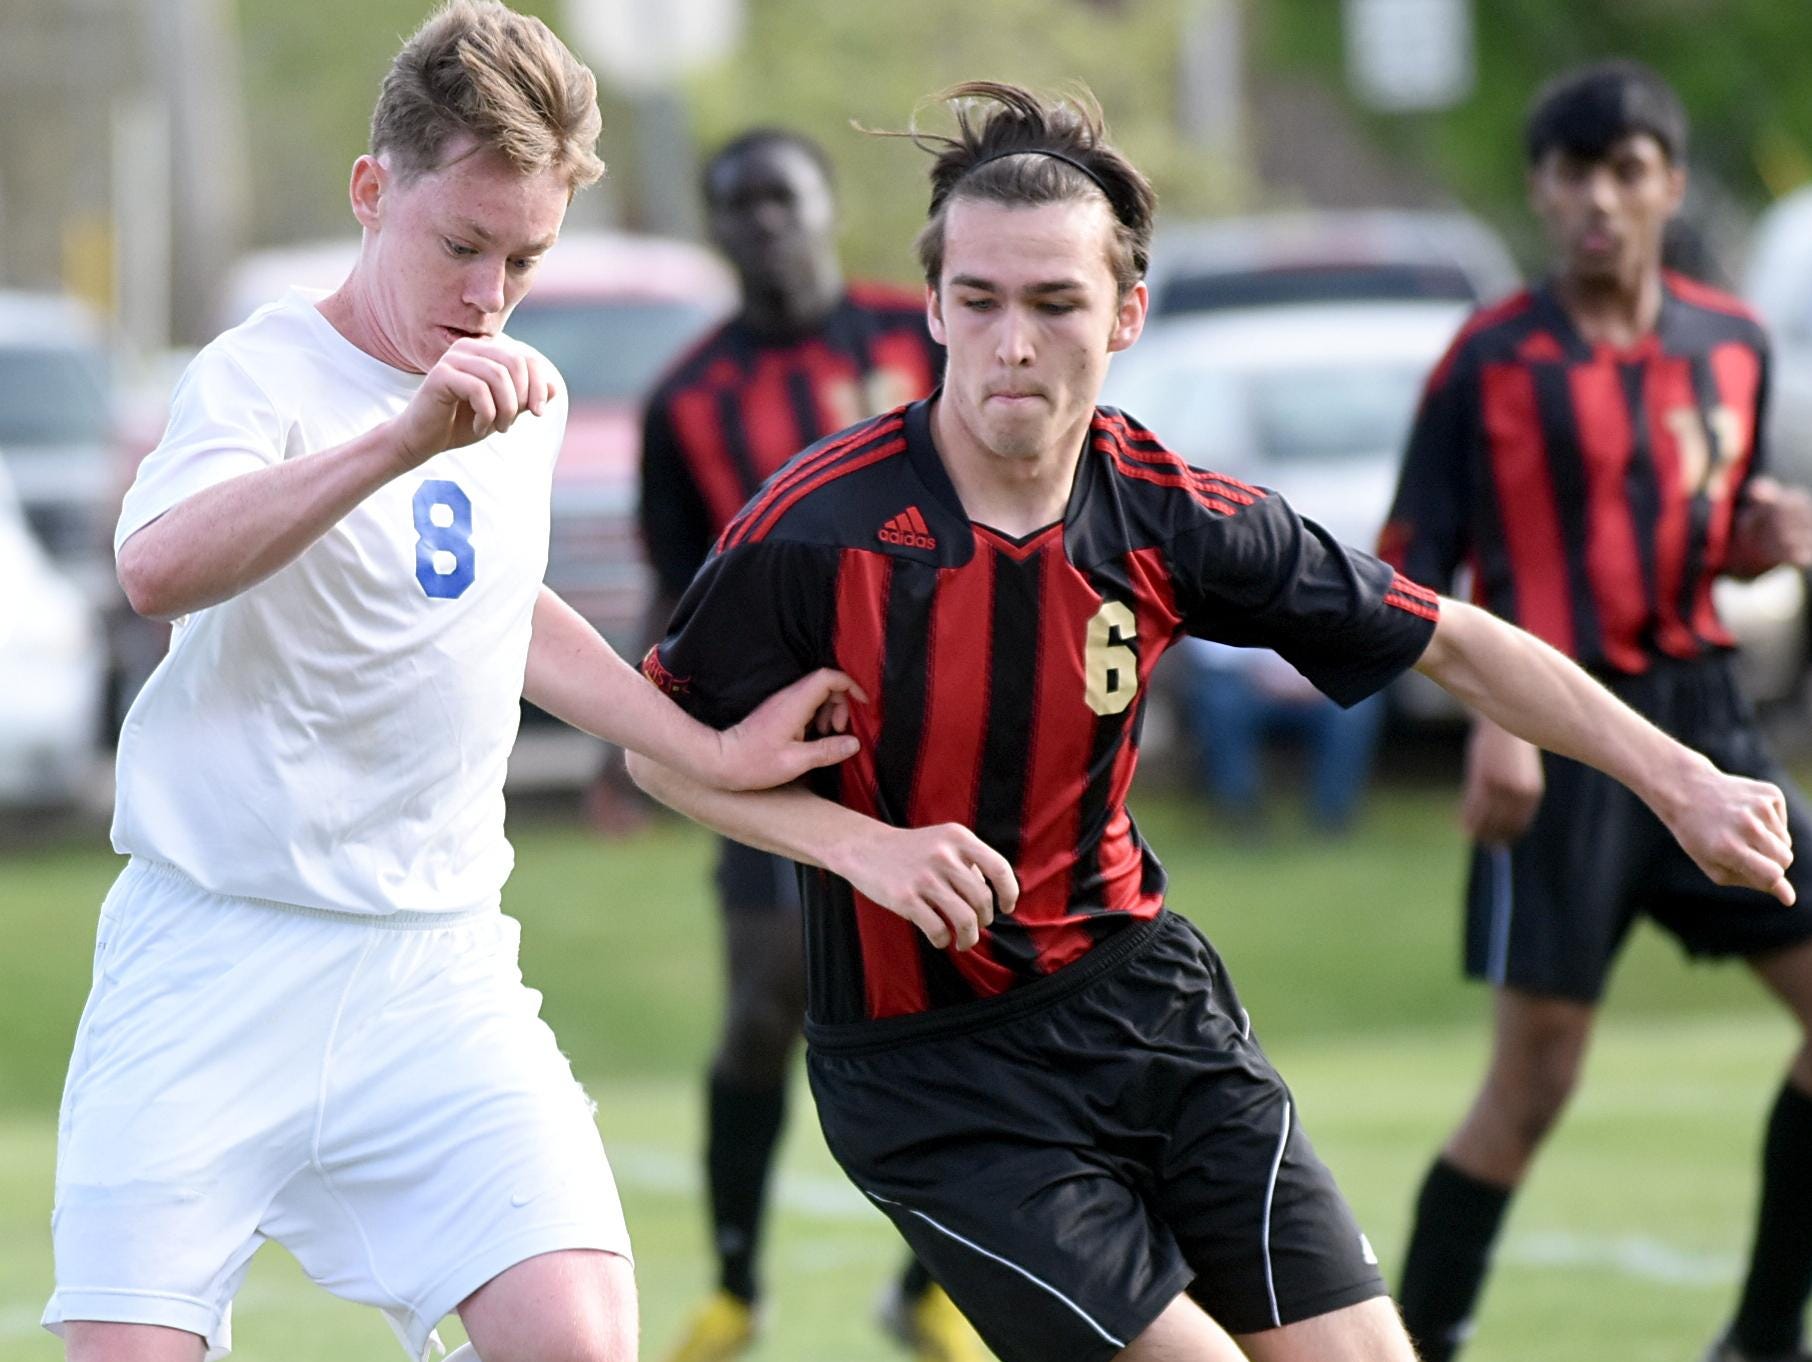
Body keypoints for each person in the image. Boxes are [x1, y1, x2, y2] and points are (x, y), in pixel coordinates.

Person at [625, 80, 1796, 1362]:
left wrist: (1677, 779)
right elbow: (654, 742)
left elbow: (1453, 636)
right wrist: (863, 849)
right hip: (931, 1073)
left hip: (1152, 1017)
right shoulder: (816, 526)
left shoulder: (1173, 516)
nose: (1013, 342)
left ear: (1125, 314)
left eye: (1056, 303)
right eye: (981, 301)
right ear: (936, 307)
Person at [40, 6, 860, 1361]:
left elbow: (499, 611)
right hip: (209, 961)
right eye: (463, 245)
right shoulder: (262, 374)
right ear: (375, 192)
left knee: (579, 1340)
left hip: (435, 968)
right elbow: (158, 566)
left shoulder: (509, 401)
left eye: (524, 260)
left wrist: (703, 749)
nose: (487, 294)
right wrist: (395, 443)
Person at [1378, 61, 1812, 1362]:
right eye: (1575, 173)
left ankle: (1761, 1336)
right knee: (1533, 1087)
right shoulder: (1489, 359)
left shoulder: (1732, 344)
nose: (1600, 200)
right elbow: (1403, 573)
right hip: (1556, 742)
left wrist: (1759, 537)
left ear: (1670, 185)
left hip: (1710, 726)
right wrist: (1491, 720)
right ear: (1541, 189)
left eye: (1628, 170)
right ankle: (1417, 1342)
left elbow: (1698, 523)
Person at [636, 129, 966, 1362]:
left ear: (827, 204)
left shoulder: (918, 338)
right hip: (769, 756)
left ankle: (932, 1287)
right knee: (770, 997)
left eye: (783, 197)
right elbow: (681, 600)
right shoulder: (690, 398)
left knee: (965, 988)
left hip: (942, 732)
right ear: (718, 230)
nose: (764, 223)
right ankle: (734, 1289)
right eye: (738, 207)